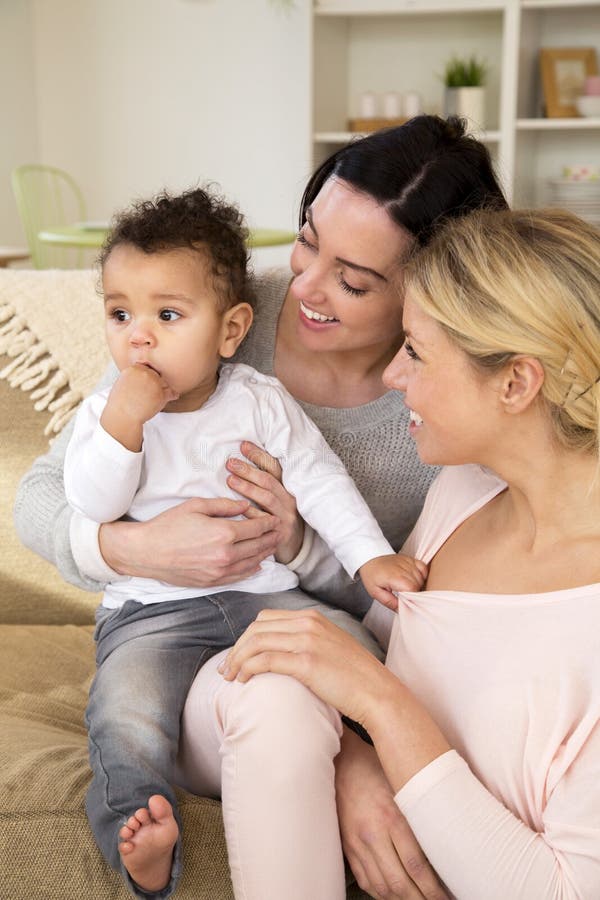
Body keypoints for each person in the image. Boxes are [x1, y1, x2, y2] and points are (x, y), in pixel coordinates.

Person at [14, 115, 507, 898]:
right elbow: (43, 495)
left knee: (293, 693)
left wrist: (299, 547)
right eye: (309, 239)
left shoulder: (446, 402)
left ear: (432, 292)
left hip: (295, 651)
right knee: (230, 706)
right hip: (178, 648)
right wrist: (135, 550)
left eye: (353, 280)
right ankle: (139, 828)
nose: (305, 288)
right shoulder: (212, 308)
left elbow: (410, 610)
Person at [199, 208, 600, 900]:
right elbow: (379, 636)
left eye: (416, 350)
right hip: (280, 733)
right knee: (275, 696)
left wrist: (382, 708)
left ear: (516, 383)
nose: (390, 375)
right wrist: (353, 762)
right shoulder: (466, 492)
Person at [65, 185, 429, 897]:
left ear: (231, 331)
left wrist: (368, 557)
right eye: (120, 315)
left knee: (366, 651)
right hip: (151, 615)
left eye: (167, 316)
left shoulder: (258, 398)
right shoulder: (107, 411)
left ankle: (403, 766)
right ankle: (136, 830)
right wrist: (122, 429)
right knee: (124, 709)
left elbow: (322, 484)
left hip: (266, 594)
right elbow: (90, 503)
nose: (138, 336)